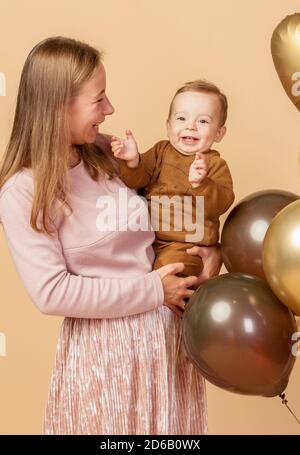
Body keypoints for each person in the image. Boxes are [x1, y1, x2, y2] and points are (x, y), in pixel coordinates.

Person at [0, 36, 222, 435]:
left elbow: (164, 213)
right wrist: (155, 291)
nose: (110, 109)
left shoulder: (103, 151)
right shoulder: (23, 191)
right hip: (107, 357)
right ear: (57, 106)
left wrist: (210, 249)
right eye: (98, 99)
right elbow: (52, 292)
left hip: (167, 343)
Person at [112, 80, 234, 279]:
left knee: (167, 273)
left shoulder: (213, 164)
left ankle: (176, 308)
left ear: (219, 133)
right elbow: (137, 181)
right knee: (127, 269)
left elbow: (221, 203)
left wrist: (202, 184)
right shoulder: (160, 151)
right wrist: (133, 161)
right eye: (182, 118)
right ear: (168, 126)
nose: (191, 126)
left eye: (203, 121)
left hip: (186, 246)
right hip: (147, 239)